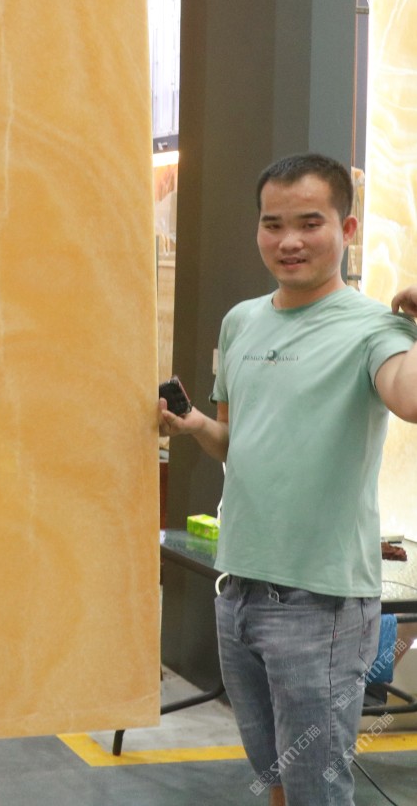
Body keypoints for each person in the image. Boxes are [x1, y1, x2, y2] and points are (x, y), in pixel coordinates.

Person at [160, 153, 417, 806]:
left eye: (310, 222)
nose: (289, 241)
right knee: (273, 774)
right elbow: (235, 441)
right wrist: (193, 425)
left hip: (321, 602)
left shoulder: (375, 327)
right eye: (273, 224)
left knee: (317, 789)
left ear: (347, 229)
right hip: (238, 587)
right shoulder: (242, 321)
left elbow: (411, 399)